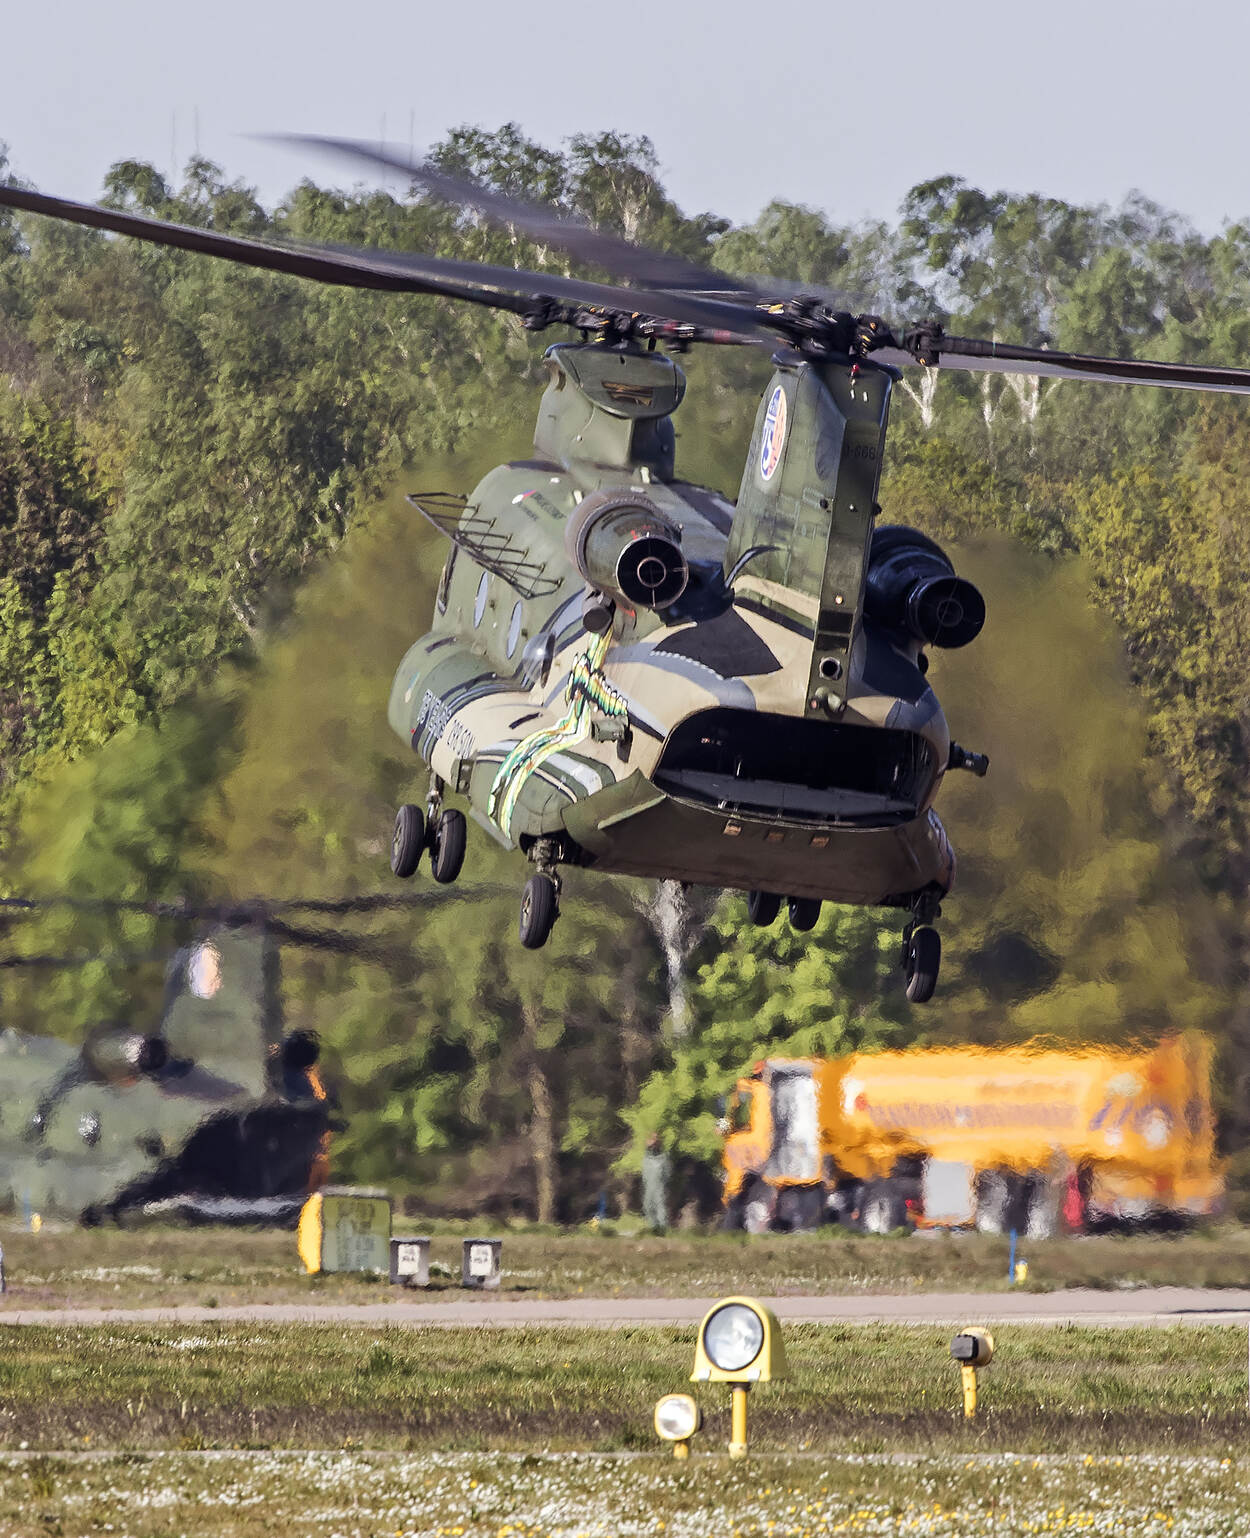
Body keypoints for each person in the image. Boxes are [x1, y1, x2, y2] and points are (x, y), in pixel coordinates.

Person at [641, 1133, 671, 1233]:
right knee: (647, 1206)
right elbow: (644, 1174)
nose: (653, 1144)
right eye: (651, 1142)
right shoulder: (646, 1158)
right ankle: (653, 1227)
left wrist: (663, 1184)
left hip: (660, 1186)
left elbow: (667, 1173)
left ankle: (662, 1228)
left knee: (660, 1206)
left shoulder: (664, 1158)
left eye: (655, 1142)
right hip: (648, 1186)